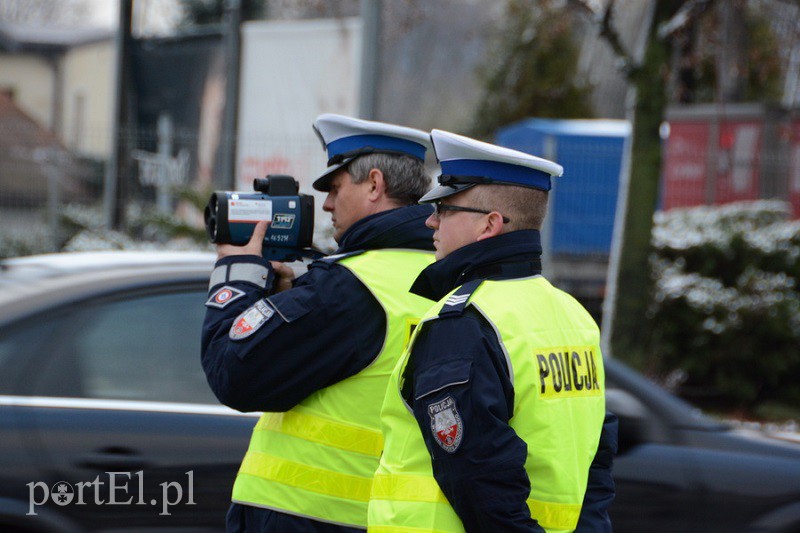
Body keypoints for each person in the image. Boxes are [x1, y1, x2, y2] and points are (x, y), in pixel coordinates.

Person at [367, 129, 618, 532]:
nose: (430, 219)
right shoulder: (573, 316)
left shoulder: (463, 323)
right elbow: (597, 463)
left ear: (489, 225)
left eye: (445, 208)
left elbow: (478, 479)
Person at [201, 114, 437, 532]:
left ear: (375, 185)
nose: (326, 204)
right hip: (389, 517)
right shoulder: (446, 278)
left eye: (334, 187)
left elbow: (233, 373)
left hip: (306, 514)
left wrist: (235, 273)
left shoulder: (350, 287)